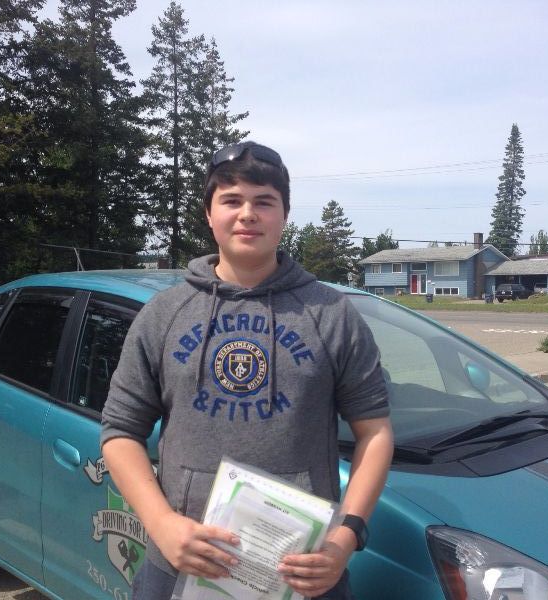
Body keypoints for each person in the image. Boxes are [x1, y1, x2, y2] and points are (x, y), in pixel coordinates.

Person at [101, 141, 394, 599]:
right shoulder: (164, 314)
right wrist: (162, 524)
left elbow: (374, 432)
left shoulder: (332, 314)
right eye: (232, 200)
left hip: (301, 572)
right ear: (209, 213)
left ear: (285, 214)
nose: (247, 214)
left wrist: (346, 536)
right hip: (179, 564)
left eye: (264, 202)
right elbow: (119, 432)